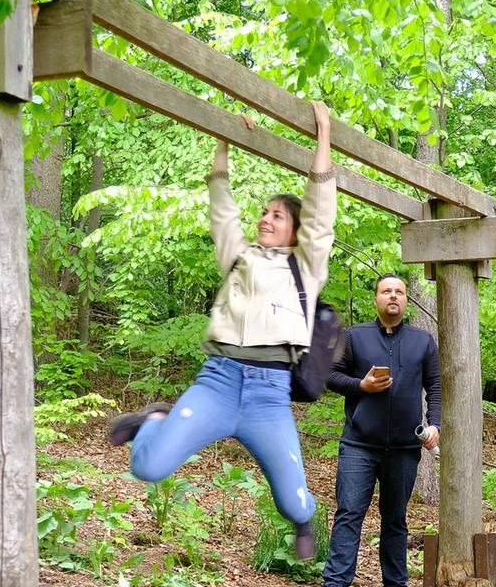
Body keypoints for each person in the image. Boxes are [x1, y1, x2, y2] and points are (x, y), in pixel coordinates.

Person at [108, 102, 335, 561]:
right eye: (265, 213)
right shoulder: (239, 256)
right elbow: (221, 205)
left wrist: (324, 131)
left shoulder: (306, 267)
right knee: (149, 466)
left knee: (295, 503)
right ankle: (154, 421)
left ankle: (304, 518)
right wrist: (224, 140)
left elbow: (321, 206)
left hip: (269, 397)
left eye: (277, 215)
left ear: (296, 230)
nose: (266, 219)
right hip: (219, 380)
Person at [316, 273, 440, 587]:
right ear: (376, 299)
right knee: (349, 513)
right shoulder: (354, 337)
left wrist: (437, 425)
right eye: (386, 291)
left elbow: (435, 387)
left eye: (399, 292)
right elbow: (329, 376)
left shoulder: (423, 341)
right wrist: (361, 386)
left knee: (396, 519)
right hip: (359, 444)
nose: (393, 297)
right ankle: (336, 585)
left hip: (404, 448)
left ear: (405, 300)